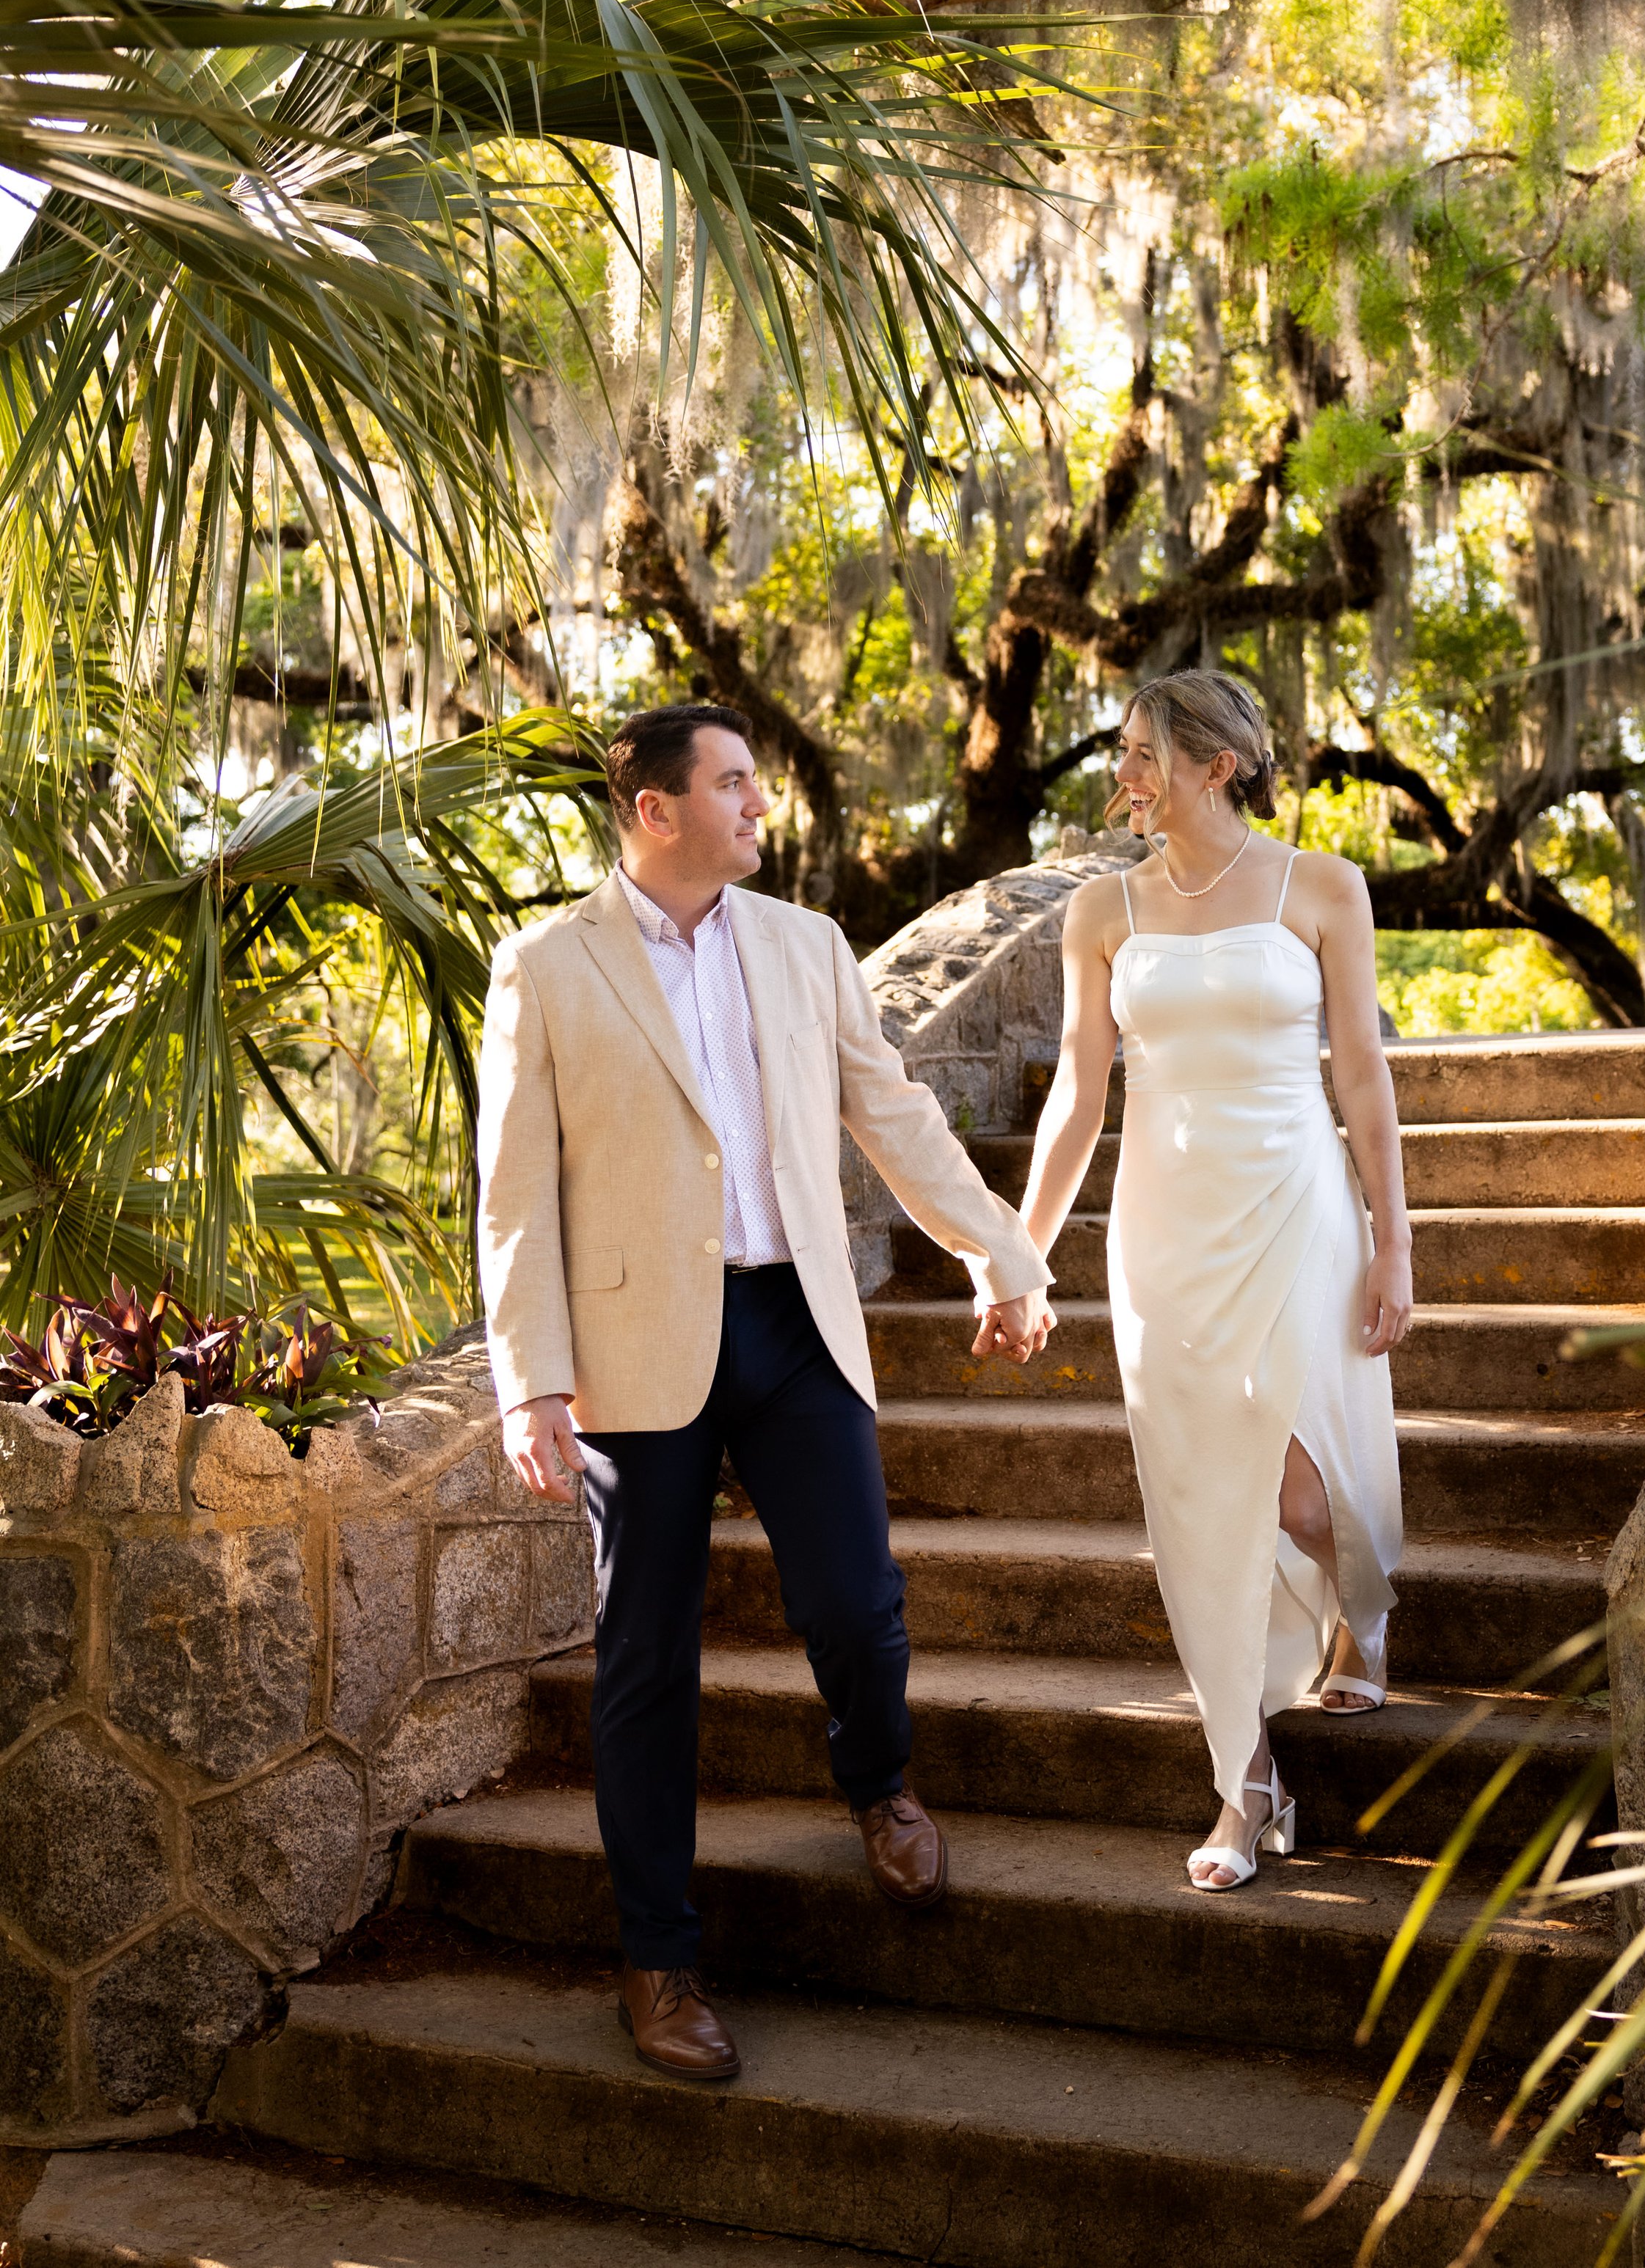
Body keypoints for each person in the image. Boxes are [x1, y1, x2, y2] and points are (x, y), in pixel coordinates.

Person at [477, 702, 1052, 2078]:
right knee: (644, 1660)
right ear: (654, 810)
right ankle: (659, 1957)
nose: (758, 804)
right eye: (732, 783)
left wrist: (1004, 1248)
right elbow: (514, 1193)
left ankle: (881, 1785)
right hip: (632, 1352)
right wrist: (527, 1383)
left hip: (795, 1322)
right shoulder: (546, 966)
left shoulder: (806, 944)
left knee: (857, 1599)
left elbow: (894, 1111)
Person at [1019, 671, 1409, 1892]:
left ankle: (1362, 1601)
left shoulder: (1322, 888)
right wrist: (1021, 1248)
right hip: (1163, 1227)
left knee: (1301, 1496)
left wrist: (1396, 1243)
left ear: (1215, 764)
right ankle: (1244, 1784)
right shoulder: (1101, 912)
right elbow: (1081, 1095)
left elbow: (1364, 1080)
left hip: (1298, 1204)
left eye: (1140, 754)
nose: (1122, 775)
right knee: (1195, 1497)